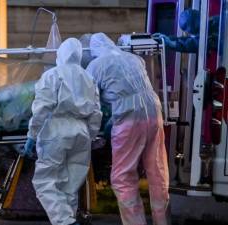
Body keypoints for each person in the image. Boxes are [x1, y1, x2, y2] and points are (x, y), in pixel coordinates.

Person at [86, 33, 169, 225]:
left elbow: (90, 100)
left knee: (123, 177)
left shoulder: (96, 66)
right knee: (157, 171)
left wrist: (96, 126)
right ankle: (163, 221)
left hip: (128, 117)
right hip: (154, 112)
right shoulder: (135, 59)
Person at [22, 38, 102, 225]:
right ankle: (68, 219)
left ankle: (65, 222)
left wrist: (32, 136)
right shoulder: (88, 78)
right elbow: (96, 112)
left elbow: (42, 108)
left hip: (55, 130)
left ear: (61, 54)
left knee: (45, 182)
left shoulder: (52, 75)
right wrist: (89, 135)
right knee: (70, 185)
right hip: (81, 132)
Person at [153, 9, 219, 53]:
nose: (186, 33)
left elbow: (190, 44)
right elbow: (188, 40)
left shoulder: (209, 38)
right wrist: (169, 40)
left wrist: (171, 43)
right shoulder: (215, 20)